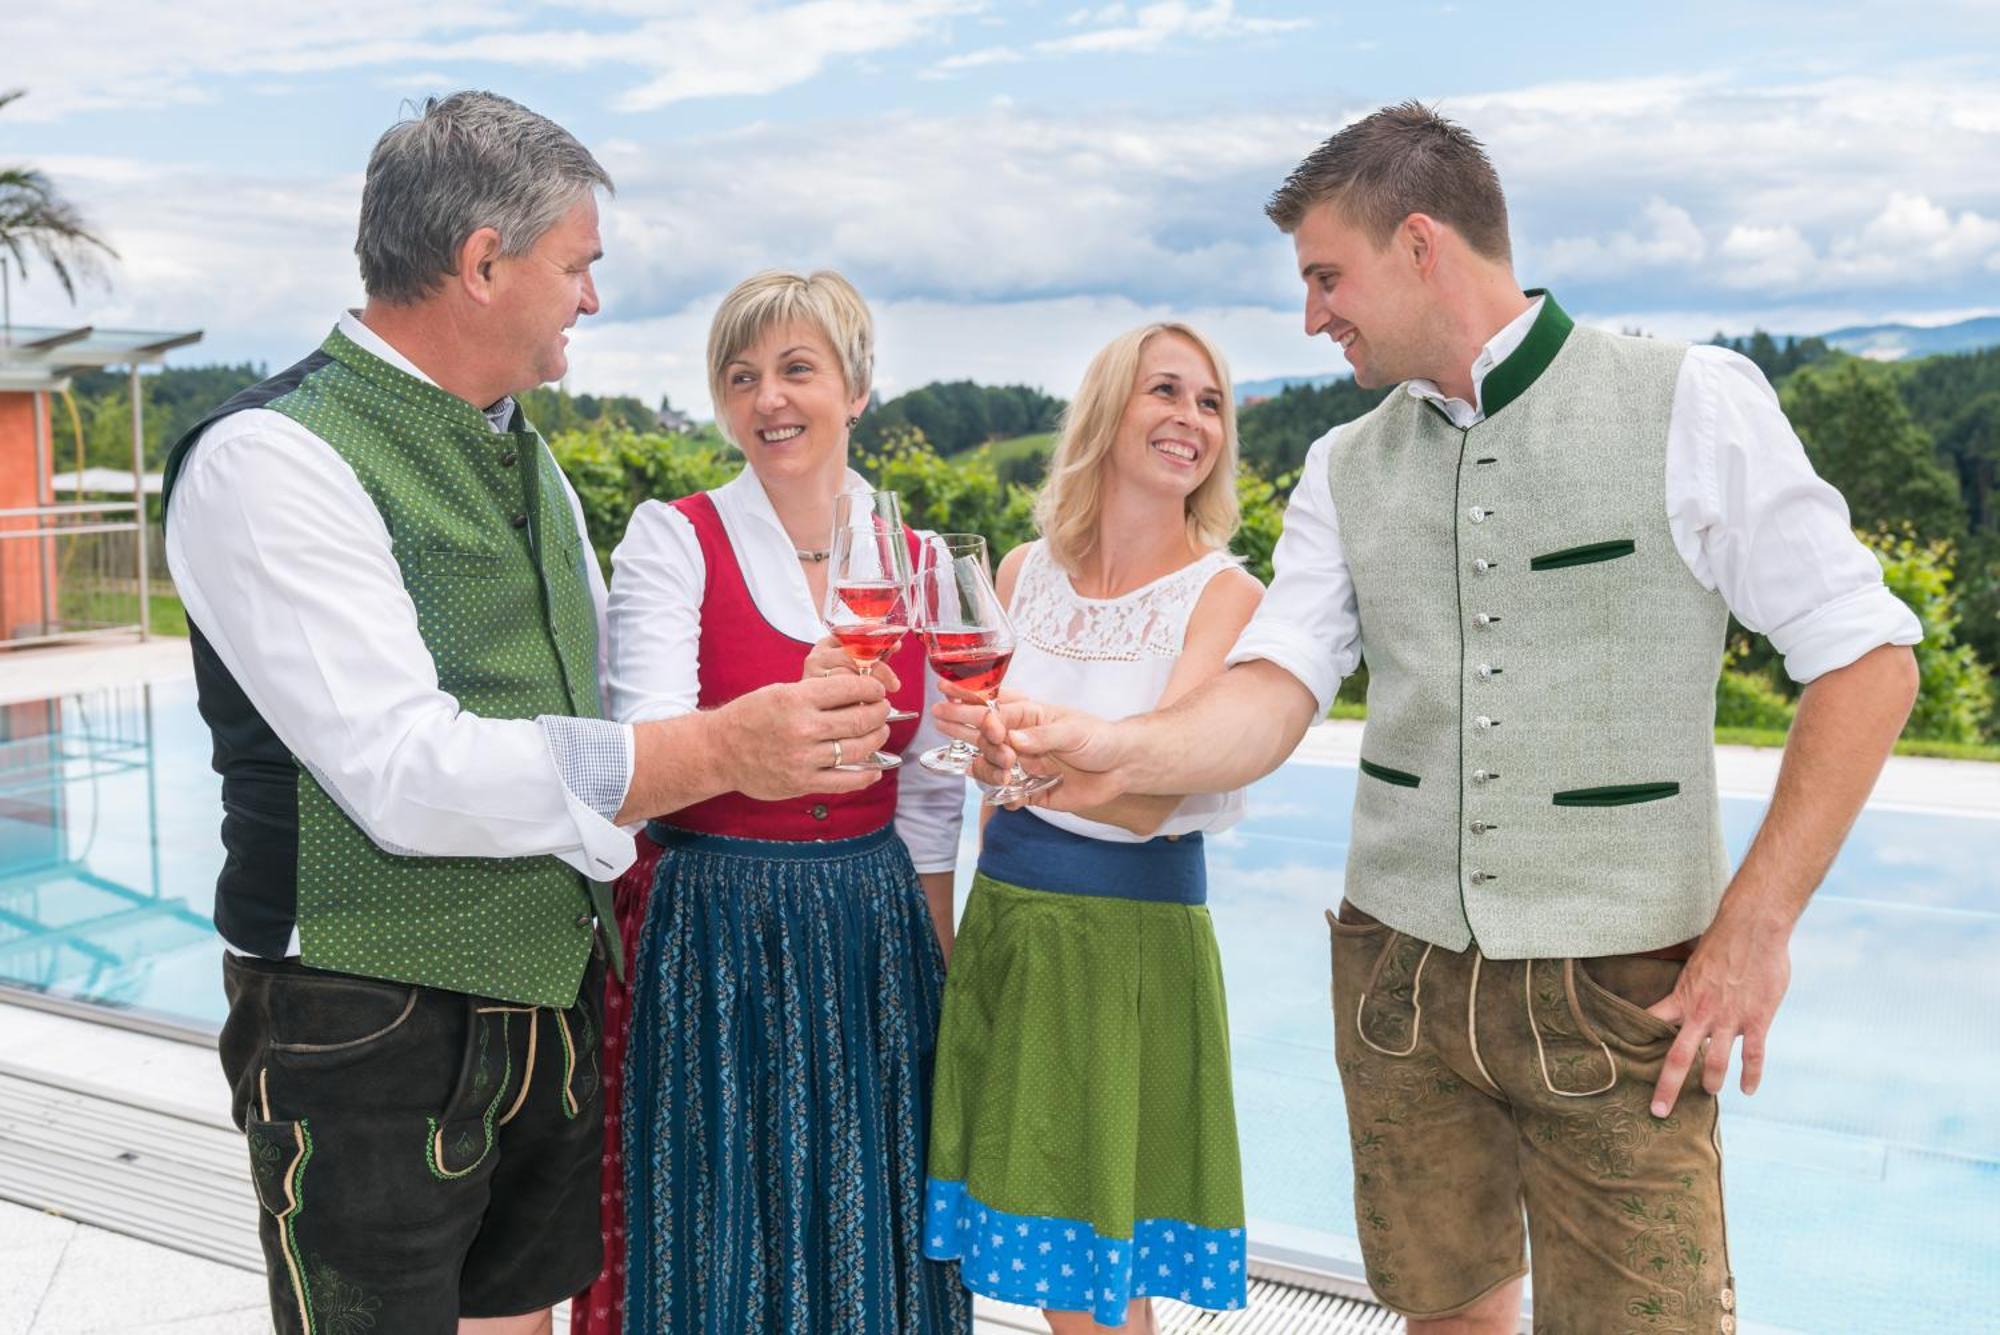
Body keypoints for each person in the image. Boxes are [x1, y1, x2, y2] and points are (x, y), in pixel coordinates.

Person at [949, 103, 1921, 1334]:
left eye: (1323, 276)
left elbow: (1867, 659)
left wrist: (1754, 926)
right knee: (1443, 1318)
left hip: (1619, 993)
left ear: (1418, 244)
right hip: (1396, 986)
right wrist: (1114, 749)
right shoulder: (1343, 466)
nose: (1311, 316)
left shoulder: (1690, 402)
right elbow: (1270, 693)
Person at [162, 95, 893, 1335]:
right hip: (362, 1024)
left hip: (547, 1002)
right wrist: (720, 748)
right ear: (483, 262)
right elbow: (403, 768)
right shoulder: (269, 459)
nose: (592, 301)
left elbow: (587, 704)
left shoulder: (533, 462)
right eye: (577, 266)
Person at [589, 269, 969, 1335]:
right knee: (719, 1222)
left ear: (854, 390)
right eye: (741, 376)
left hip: (869, 921)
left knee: (867, 1220)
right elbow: (649, 743)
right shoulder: (676, 538)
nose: (768, 399)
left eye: (797, 369)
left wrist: (933, 964)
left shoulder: (921, 560)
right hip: (713, 920)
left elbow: (931, 804)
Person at [922, 322, 1263, 1333]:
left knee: (1098, 1278)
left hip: (1125, 949)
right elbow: (988, 773)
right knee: (1051, 1272)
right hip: (1013, 927)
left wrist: (1009, 762)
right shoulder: (1025, 570)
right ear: (1108, 410)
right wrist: (989, 758)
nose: (1189, 420)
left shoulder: (1226, 595)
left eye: (1209, 403)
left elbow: (1153, 793)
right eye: (1165, 391)